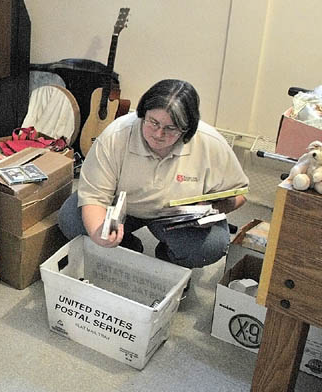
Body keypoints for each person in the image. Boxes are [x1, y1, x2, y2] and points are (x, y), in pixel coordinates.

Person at [58, 79, 249, 269]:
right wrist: (100, 234)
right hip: (122, 207)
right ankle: (125, 247)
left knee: (211, 245)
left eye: (171, 128)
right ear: (142, 114)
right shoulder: (115, 136)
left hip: (177, 217)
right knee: (72, 220)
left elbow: (239, 193)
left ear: (188, 128)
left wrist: (214, 208)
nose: (159, 134)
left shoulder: (210, 143)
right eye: (153, 122)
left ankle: (169, 261)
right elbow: (94, 197)